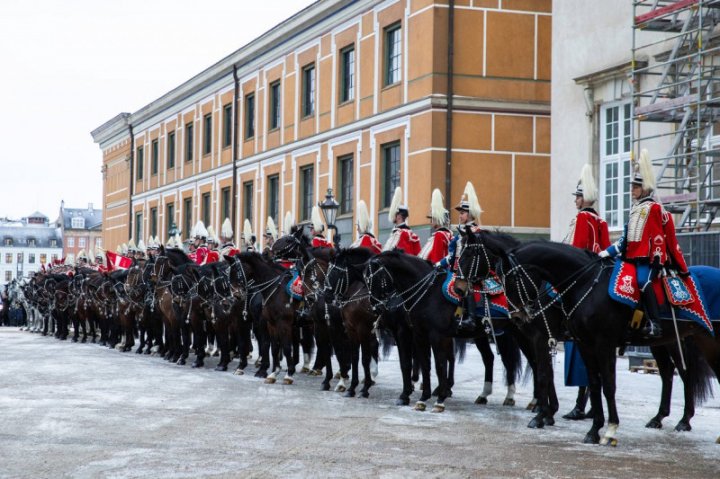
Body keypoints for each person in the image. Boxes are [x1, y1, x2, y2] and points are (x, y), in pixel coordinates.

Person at [600, 149, 690, 338]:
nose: (632, 189)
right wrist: (606, 252)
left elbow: (658, 238)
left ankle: (655, 324)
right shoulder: (635, 209)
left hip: (649, 261)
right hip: (632, 259)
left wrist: (657, 261)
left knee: (643, 281)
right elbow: (625, 240)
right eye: (632, 185)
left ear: (645, 188)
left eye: (635, 186)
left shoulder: (654, 208)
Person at [562, 164, 609, 421]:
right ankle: (590, 401)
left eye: (578, 196)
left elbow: (574, 251)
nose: (576, 200)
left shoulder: (582, 218)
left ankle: (581, 403)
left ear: (586, 198)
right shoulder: (600, 220)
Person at [436, 181, 483, 332]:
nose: (460, 216)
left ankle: (469, 317)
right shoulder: (461, 232)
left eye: (462, 213)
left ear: (470, 214)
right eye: (460, 213)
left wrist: (440, 263)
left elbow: (465, 255)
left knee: (459, 287)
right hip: (457, 268)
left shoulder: (475, 231)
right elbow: (452, 255)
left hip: (469, 270)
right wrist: (440, 264)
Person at [383, 187, 421, 255]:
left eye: (394, 214)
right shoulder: (411, 233)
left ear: (399, 216)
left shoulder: (401, 234)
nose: (392, 216)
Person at [419, 189, 452, 264]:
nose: (431, 222)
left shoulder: (439, 235)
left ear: (438, 219)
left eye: (432, 219)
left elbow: (436, 259)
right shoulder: (447, 234)